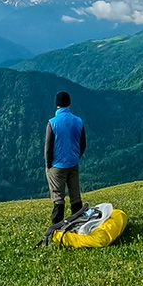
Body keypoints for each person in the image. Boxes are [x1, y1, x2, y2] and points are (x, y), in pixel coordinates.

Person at [45, 90, 87, 225]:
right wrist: (76, 157)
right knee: (75, 197)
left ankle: (57, 228)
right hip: (73, 164)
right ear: (69, 103)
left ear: (56, 104)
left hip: (57, 166)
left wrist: (48, 166)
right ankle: (78, 225)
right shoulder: (78, 121)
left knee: (58, 199)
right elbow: (83, 144)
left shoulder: (52, 123)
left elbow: (48, 148)